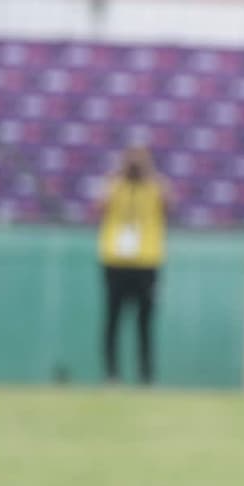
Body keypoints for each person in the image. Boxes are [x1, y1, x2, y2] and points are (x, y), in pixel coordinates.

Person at [97, 145, 171, 384]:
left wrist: (151, 174)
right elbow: (99, 207)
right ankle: (112, 373)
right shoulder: (115, 185)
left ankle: (145, 374)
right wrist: (116, 176)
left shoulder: (155, 186)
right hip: (116, 260)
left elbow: (170, 205)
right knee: (113, 320)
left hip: (146, 261)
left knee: (145, 322)